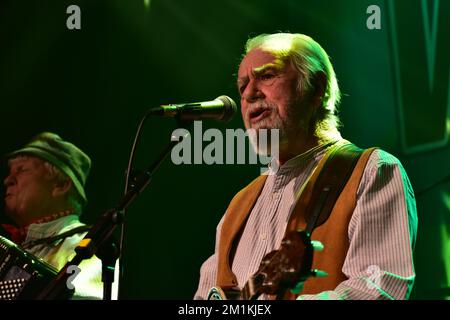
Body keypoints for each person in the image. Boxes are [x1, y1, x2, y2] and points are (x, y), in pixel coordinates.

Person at [194, 33, 418, 300]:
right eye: (242, 86)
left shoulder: (371, 172)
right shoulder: (237, 207)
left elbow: (378, 291)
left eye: (266, 76)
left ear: (316, 88)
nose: (250, 94)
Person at [1, 132, 114, 299]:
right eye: (10, 171)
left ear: (60, 185)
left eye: (21, 170)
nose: (7, 180)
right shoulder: (17, 243)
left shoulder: (85, 244)